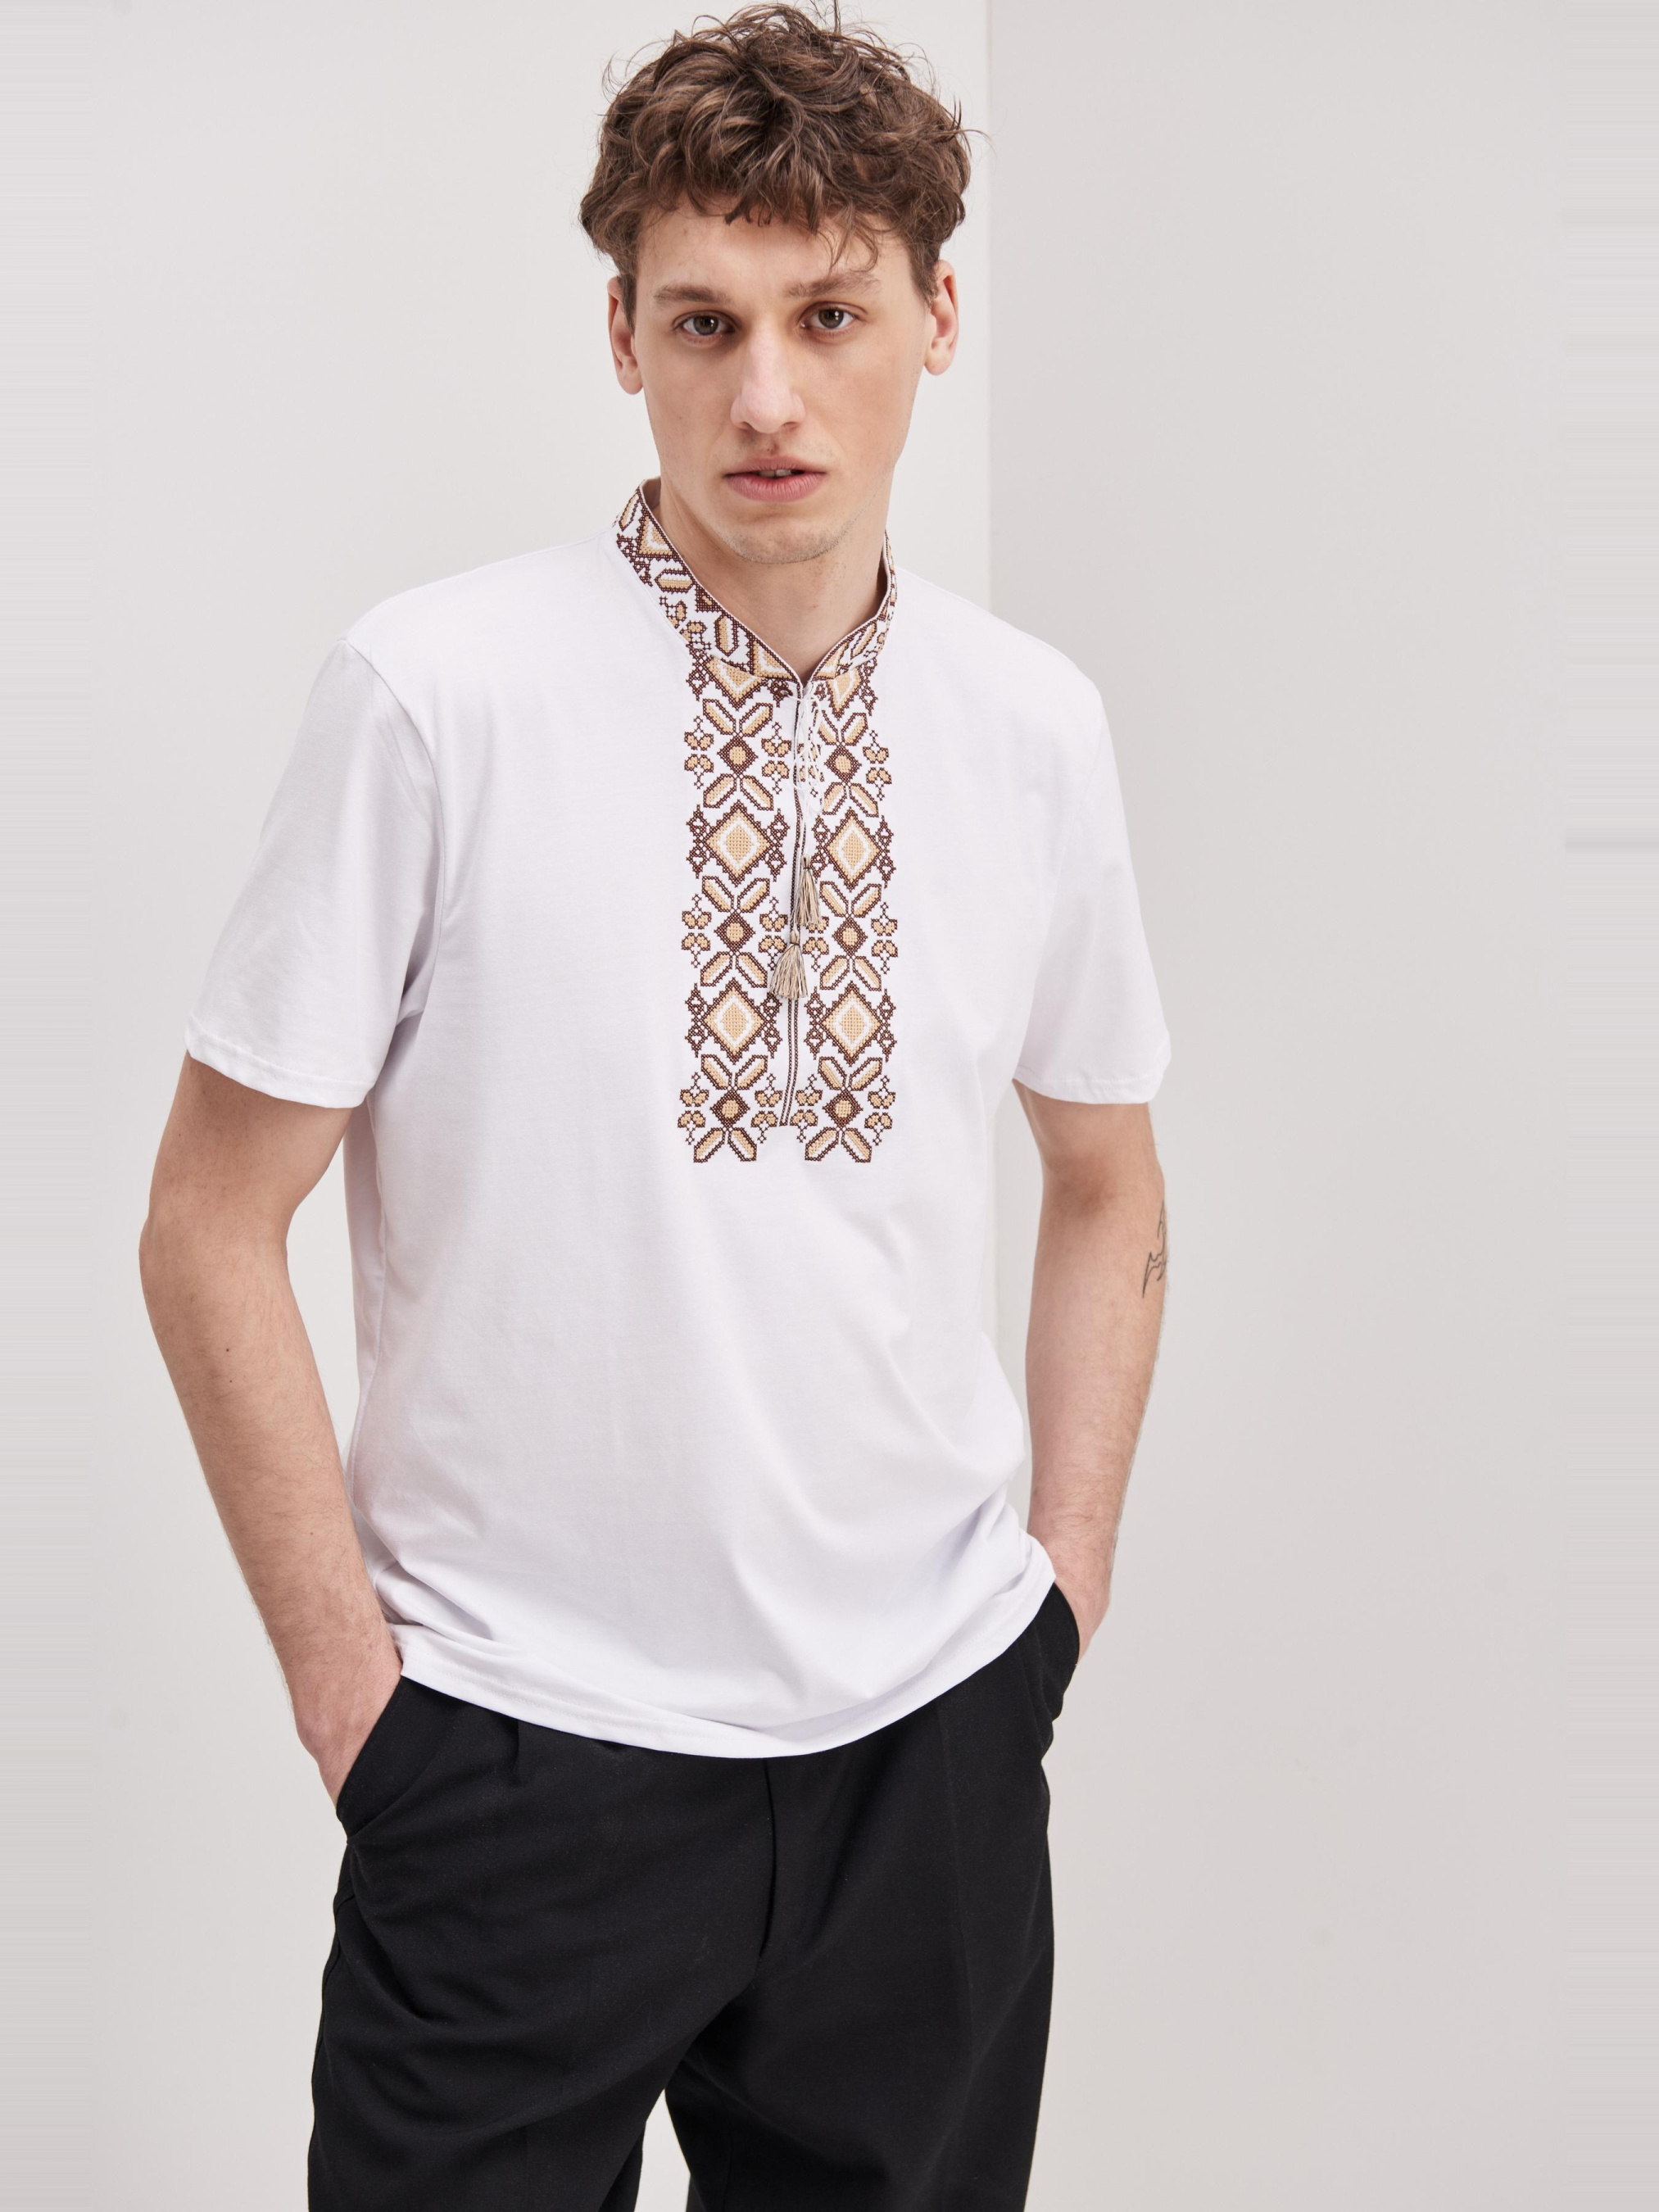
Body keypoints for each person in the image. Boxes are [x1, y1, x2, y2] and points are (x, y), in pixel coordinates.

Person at [139, 7, 1171, 2206]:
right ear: (622, 335)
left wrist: (1052, 1609)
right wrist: (362, 1711)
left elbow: (1106, 1181)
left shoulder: (1032, 729)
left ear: (938, 316)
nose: (768, 395)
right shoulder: (436, 693)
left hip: (927, 1758)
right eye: (705, 321)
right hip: (519, 1762)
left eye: (829, 316)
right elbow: (208, 1222)